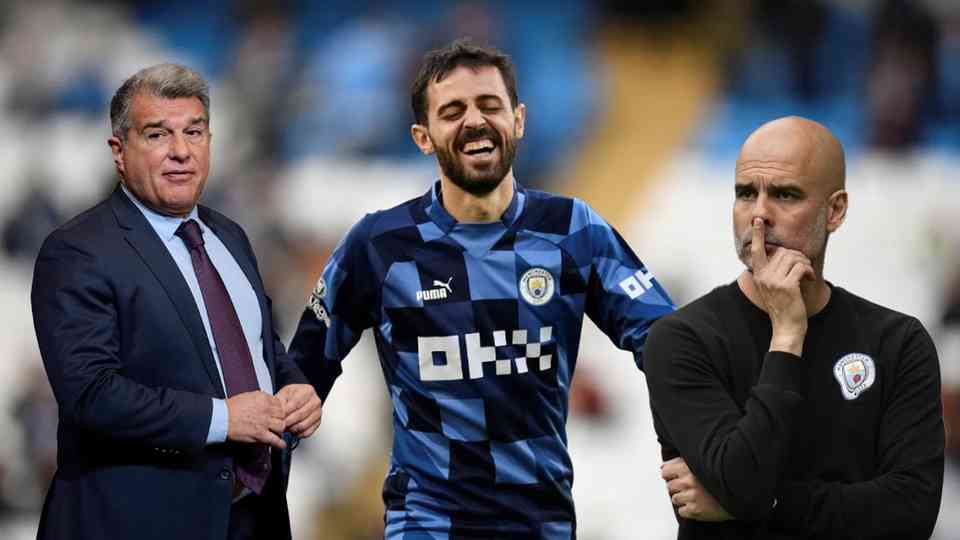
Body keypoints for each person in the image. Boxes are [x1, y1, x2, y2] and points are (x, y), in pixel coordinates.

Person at [287, 39, 675, 537]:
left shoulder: (572, 229)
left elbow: (667, 342)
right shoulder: (379, 245)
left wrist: (702, 449)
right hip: (427, 525)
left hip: (541, 524)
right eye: (452, 111)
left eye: (489, 105)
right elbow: (301, 374)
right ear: (422, 137)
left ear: (518, 120)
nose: (474, 120)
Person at [30, 64, 322, 540]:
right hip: (134, 522)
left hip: (251, 518)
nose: (181, 151)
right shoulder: (78, 250)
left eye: (194, 131)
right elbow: (92, 395)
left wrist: (295, 389)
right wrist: (225, 419)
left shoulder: (230, 236)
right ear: (119, 152)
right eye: (157, 134)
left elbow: (261, 346)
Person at [644, 116, 944, 539]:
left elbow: (912, 513)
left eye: (785, 195)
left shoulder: (898, 343)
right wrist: (787, 336)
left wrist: (768, 504)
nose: (759, 215)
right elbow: (742, 481)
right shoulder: (682, 340)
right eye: (746, 194)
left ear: (835, 210)